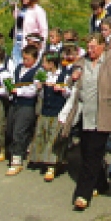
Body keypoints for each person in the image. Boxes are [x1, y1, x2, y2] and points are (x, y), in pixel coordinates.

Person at [60, 33, 111, 211]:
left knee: (92, 153)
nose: (90, 51)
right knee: (87, 151)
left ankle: (82, 194)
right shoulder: (83, 61)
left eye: (93, 47)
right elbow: (72, 76)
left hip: (104, 114)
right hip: (85, 115)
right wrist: (73, 76)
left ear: (103, 47)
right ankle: (101, 183)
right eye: (88, 47)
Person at [30, 53, 73, 181]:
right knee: (42, 135)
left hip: (57, 112)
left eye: (44, 62)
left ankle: (52, 166)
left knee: (54, 139)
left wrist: (62, 90)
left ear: (52, 63)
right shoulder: (44, 74)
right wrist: (39, 88)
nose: (42, 65)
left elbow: (69, 94)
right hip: (45, 110)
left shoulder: (63, 76)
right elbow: (41, 94)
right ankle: (43, 159)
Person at [6, 44, 43, 176]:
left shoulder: (38, 71)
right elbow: (12, 81)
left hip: (27, 105)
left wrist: (19, 91)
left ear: (35, 58)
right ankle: (21, 150)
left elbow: (33, 90)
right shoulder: (18, 68)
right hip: (15, 103)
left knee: (19, 131)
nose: (24, 61)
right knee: (10, 129)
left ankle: (17, 160)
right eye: (23, 58)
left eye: (27, 59)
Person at [12, 0, 48, 66]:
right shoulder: (22, 9)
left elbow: (44, 30)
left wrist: (40, 48)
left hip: (30, 47)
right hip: (17, 45)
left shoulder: (38, 10)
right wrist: (13, 6)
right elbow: (17, 19)